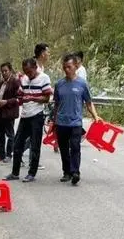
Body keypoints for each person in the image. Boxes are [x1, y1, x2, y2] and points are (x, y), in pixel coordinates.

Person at [53, 53, 101, 186]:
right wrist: (54, 120)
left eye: (69, 67)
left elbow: (88, 102)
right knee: (63, 148)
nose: (66, 70)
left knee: (75, 147)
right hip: (61, 122)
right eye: (64, 67)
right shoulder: (59, 84)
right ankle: (66, 172)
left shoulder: (82, 84)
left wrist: (95, 116)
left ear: (75, 66)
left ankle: (75, 172)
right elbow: (56, 104)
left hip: (75, 122)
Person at [5, 58, 53, 183]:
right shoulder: (24, 79)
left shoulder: (44, 78)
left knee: (35, 145)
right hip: (25, 115)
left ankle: (32, 173)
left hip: (36, 115)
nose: (28, 74)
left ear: (35, 67)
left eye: (30, 71)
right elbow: (20, 95)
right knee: (17, 144)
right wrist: (17, 99)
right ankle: (15, 172)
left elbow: (47, 98)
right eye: (25, 71)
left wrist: (32, 97)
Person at [0, 62, 20, 162]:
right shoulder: (1, 83)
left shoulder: (15, 82)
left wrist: (6, 102)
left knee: (10, 135)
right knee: (0, 135)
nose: (4, 73)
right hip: (0, 113)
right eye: (2, 71)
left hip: (9, 113)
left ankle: (9, 154)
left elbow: (18, 98)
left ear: (10, 71)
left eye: (6, 71)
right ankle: (2, 155)